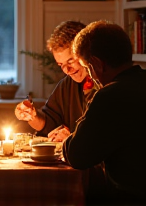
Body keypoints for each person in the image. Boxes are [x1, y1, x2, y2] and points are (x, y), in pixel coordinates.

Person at [63, 20, 146, 205]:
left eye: (88, 68)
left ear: (96, 64)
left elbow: (77, 155)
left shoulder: (109, 96)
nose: (92, 77)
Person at [15, 21, 97, 141]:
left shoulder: (108, 85)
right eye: (61, 65)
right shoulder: (67, 85)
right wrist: (32, 116)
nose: (67, 70)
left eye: (70, 61)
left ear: (86, 51)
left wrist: (72, 140)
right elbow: (49, 122)